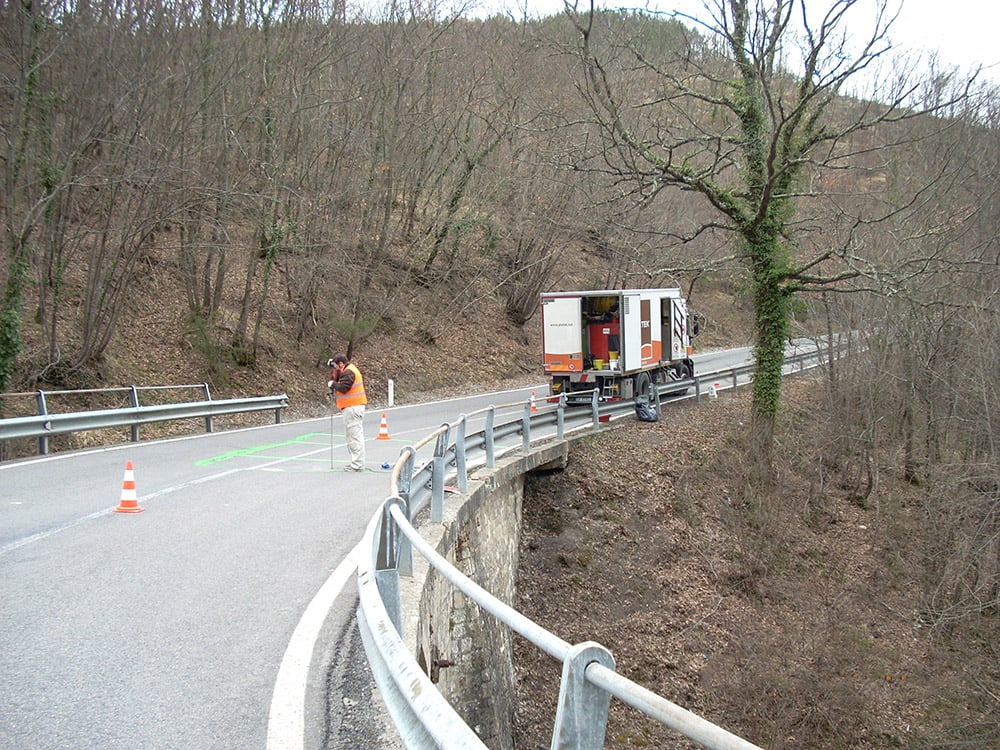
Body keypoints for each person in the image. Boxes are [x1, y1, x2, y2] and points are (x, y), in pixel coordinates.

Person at [327, 353, 367, 471]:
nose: (336, 369)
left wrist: (333, 384)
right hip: (352, 407)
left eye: (336, 366)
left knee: (354, 437)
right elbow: (341, 378)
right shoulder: (349, 370)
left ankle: (357, 465)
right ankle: (357, 463)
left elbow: (344, 388)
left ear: (341, 363)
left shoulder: (349, 372)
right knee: (353, 436)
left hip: (353, 408)